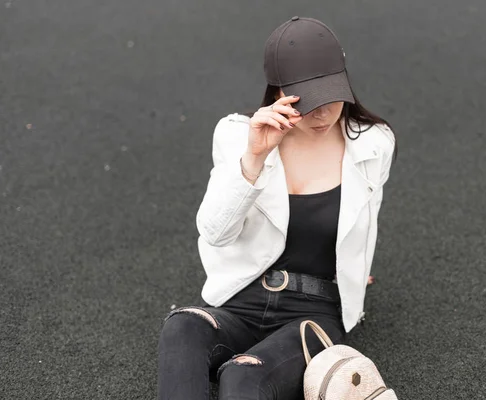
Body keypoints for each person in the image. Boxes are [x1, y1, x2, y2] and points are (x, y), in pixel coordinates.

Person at [158, 16, 397, 400]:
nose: (322, 113)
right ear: (279, 90)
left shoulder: (373, 144)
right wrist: (254, 157)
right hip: (240, 299)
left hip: (313, 311)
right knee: (181, 327)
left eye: (331, 95)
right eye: (308, 101)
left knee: (242, 376)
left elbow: (369, 218)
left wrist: (355, 270)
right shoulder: (238, 135)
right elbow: (216, 233)